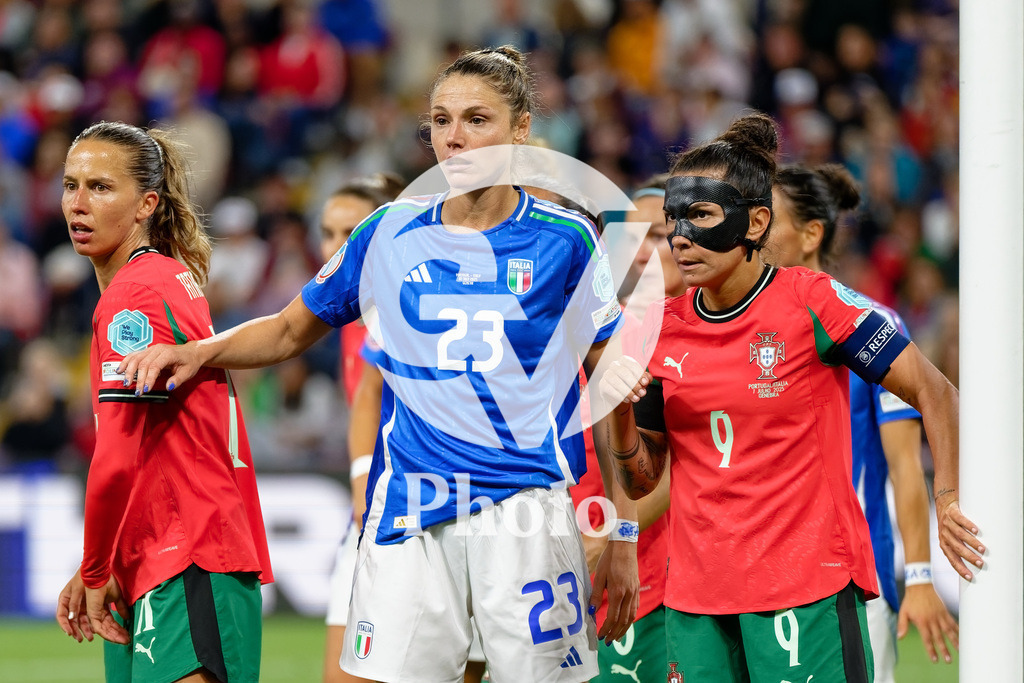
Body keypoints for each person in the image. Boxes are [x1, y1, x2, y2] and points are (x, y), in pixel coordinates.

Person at [120, 46, 639, 682]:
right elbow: (288, 329)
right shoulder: (387, 231)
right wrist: (197, 351)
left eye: (478, 120)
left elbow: (616, 383)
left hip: (527, 512)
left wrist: (624, 534)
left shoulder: (568, 238)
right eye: (442, 121)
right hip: (410, 513)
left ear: (522, 129)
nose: (455, 138)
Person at [597, 112, 982, 682]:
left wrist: (946, 498)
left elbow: (935, 389)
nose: (680, 235)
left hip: (808, 587)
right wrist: (624, 413)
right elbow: (640, 480)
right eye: (675, 218)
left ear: (755, 223)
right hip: (696, 598)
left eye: (700, 215)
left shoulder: (814, 302)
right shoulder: (654, 326)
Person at [53, 121, 273, 683]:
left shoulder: (134, 295)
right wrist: (107, 559)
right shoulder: (162, 278)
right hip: (156, 554)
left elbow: (117, 455)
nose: (78, 203)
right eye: (71, 185)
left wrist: (96, 565)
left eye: (101, 187)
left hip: (187, 553)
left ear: (146, 203)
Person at [767, 162, 959, 679]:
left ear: (811, 235)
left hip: (856, 577)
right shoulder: (748, 332)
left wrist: (918, 576)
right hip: (763, 573)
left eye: (769, 219)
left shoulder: (870, 327)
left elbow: (902, 465)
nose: (753, 230)